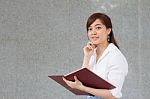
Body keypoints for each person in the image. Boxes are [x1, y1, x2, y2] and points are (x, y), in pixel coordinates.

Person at [63, 13, 128, 99]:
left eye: (98, 28)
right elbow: (83, 80)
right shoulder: (92, 53)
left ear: (108, 30)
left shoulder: (115, 56)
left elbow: (113, 94)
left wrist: (82, 88)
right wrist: (87, 56)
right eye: (90, 29)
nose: (93, 32)